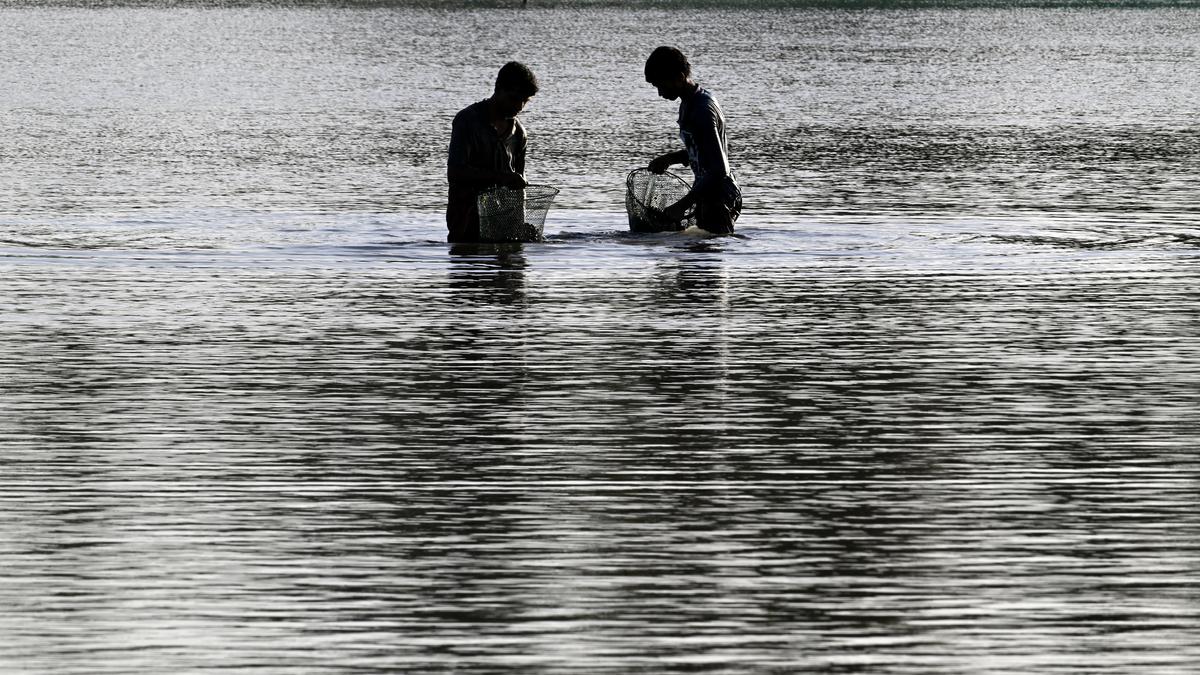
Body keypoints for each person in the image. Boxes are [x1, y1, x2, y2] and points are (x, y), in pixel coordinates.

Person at [644, 46, 742, 235]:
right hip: (708, 193)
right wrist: (670, 158)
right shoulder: (690, 102)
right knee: (697, 256)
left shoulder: (702, 110)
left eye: (661, 85)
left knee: (708, 255)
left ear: (680, 77)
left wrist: (682, 205)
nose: (660, 93)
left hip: (718, 196)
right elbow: (703, 151)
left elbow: (719, 169)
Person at [446, 62, 539, 243]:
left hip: (503, 228)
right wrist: (501, 177)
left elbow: (518, 189)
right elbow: (455, 173)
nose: (520, 106)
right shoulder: (467, 121)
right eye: (514, 98)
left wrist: (520, 224)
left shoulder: (519, 134)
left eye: (525, 101)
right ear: (499, 90)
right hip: (466, 226)